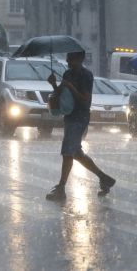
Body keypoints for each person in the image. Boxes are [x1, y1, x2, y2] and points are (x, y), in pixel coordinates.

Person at [46, 51, 116, 201]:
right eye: (68, 59)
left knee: (67, 152)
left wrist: (70, 86)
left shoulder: (86, 76)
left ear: (79, 59)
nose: (68, 62)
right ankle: (104, 178)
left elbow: (84, 98)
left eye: (71, 59)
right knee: (75, 152)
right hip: (70, 116)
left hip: (80, 117)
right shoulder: (67, 74)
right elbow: (61, 94)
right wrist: (54, 84)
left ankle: (61, 187)